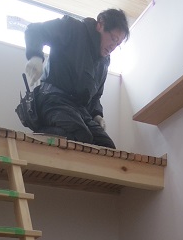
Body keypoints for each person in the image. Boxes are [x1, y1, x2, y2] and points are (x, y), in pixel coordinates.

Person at [22, 8, 129, 148]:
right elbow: (35, 30)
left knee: (106, 146)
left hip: (79, 110)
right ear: (100, 24)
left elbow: (96, 95)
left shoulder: (104, 62)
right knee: (80, 136)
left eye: (118, 44)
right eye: (113, 39)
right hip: (52, 99)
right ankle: (40, 136)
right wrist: (35, 56)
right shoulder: (73, 28)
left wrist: (97, 115)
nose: (113, 47)